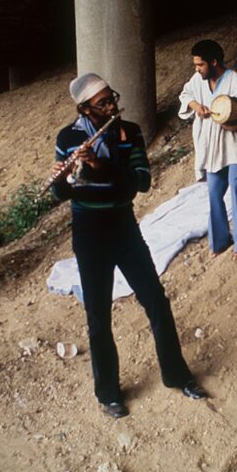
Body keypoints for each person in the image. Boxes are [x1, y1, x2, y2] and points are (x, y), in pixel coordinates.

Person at [52, 73, 207, 419]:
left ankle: (177, 375)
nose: (112, 106)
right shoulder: (69, 137)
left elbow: (140, 183)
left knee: (155, 299)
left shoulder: (130, 132)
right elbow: (62, 195)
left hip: (123, 226)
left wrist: (99, 167)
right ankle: (108, 393)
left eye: (112, 98)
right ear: (85, 109)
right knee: (97, 315)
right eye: (103, 103)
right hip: (88, 232)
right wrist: (67, 176)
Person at [178, 39, 237, 260]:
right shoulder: (198, 80)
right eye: (195, 65)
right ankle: (220, 241)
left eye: (200, 65)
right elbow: (185, 95)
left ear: (214, 62)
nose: (197, 69)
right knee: (213, 193)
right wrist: (196, 106)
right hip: (213, 148)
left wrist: (234, 126)